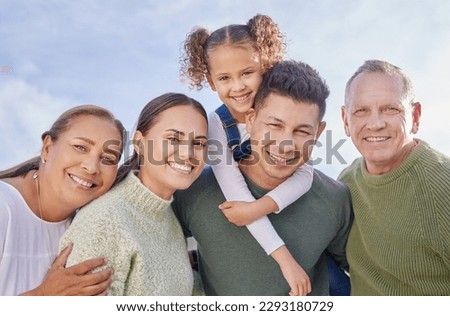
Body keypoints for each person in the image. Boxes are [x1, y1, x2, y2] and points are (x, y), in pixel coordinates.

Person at [173, 60, 353, 295]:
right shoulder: (196, 192)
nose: (285, 145)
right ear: (250, 120)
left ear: (318, 133)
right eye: (274, 125)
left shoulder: (335, 199)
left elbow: (364, 273)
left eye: (302, 131)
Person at [180, 14, 313, 296]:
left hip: (277, 216)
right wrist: (286, 261)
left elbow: (305, 173)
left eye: (247, 73)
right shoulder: (216, 126)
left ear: (265, 67)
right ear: (211, 82)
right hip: (244, 241)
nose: (238, 86)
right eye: (225, 78)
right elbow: (236, 194)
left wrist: (257, 208)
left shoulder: (281, 109)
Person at [59, 93, 208, 295]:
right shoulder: (105, 220)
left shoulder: (168, 220)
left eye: (198, 143)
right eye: (173, 138)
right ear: (139, 143)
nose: (187, 153)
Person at [339, 59, 450, 295]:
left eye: (391, 109)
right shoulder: (346, 182)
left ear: (416, 117)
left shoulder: (443, 186)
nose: (376, 123)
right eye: (361, 111)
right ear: (346, 121)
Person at [0, 105, 125, 296]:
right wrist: (44, 296)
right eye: (80, 147)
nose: (91, 167)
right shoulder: (4, 206)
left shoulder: (88, 229)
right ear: (48, 148)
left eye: (108, 159)